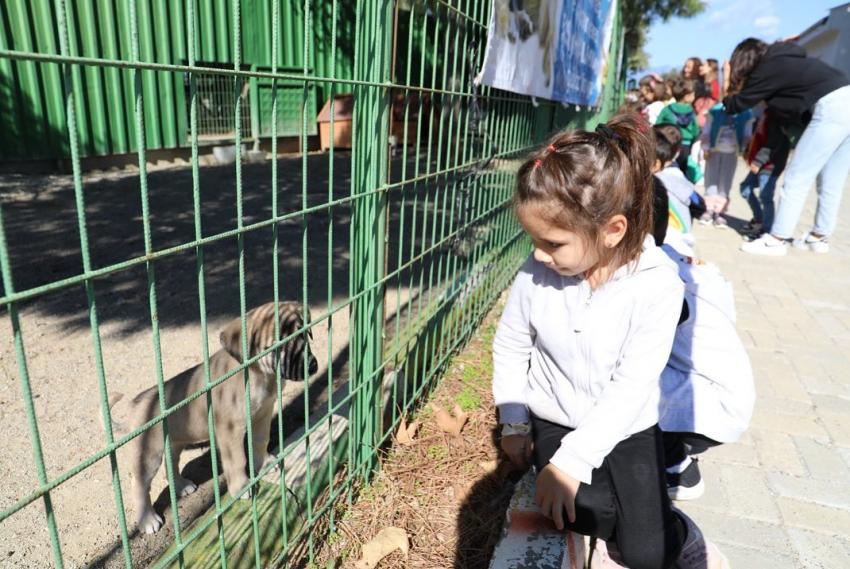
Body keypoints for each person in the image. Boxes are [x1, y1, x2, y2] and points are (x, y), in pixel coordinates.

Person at [493, 113, 729, 569]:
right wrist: (515, 421)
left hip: (628, 425)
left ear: (613, 230)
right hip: (556, 416)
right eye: (534, 240)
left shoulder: (657, 285)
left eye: (554, 243)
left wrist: (571, 464)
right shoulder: (537, 272)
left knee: (647, 554)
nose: (539, 254)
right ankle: (639, 513)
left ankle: (671, 529)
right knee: (580, 509)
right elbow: (511, 343)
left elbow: (630, 388)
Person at [723, 38, 850, 255]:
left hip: (831, 106)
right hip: (846, 95)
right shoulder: (783, 59)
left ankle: (776, 239)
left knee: (797, 177)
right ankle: (818, 238)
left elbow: (735, 105)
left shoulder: (768, 68)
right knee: (831, 180)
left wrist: (725, 75)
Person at [659, 246, 755, 501]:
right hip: (721, 395)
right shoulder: (675, 256)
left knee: (623, 379)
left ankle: (675, 469)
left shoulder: (658, 280)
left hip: (711, 407)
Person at [698, 103, 753, 228]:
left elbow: (747, 134)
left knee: (725, 182)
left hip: (732, 152)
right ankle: (709, 209)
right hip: (713, 151)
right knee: (710, 180)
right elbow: (707, 129)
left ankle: (720, 211)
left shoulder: (745, 112)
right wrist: (706, 148)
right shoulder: (716, 110)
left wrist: (745, 150)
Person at [739, 108, 792, 235]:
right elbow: (757, 136)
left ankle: (766, 230)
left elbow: (774, 142)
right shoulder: (765, 114)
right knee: (746, 188)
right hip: (761, 162)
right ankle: (759, 219)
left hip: (770, 164)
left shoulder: (777, 115)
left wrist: (758, 161)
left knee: (766, 196)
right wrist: (748, 151)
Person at [654, 124, 704, 255]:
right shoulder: (677, 175)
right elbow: (698, 202)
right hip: (681, 237)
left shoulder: (660, 180)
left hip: (672, 240)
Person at [656, 78, 701, 182]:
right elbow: (696, 130)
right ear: (686, 96)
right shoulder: (691, 111)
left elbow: (658, 124)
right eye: (693, 94)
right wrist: (692, 139)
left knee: (668, 167)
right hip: (686, 144)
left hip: (669, 143)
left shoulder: (667, 109)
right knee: (683, 168)